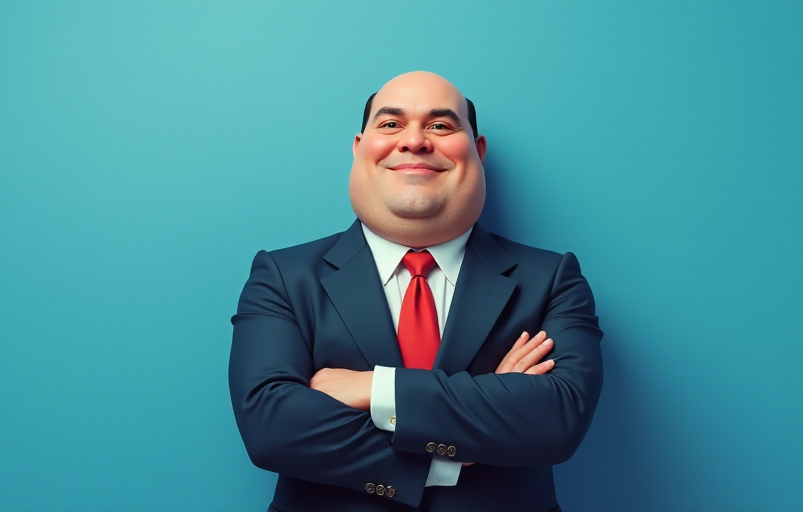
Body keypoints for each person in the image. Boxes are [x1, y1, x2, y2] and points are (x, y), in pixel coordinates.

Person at [229, 71, 604, 512]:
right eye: (391, 124)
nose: (414, 141)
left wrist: (375, 388)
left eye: (440, 125)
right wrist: (464, 438)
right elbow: (271, 429)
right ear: (359, 147)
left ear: (478, 151)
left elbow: (556, 421)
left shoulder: (552, 278)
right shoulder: (282, 276)